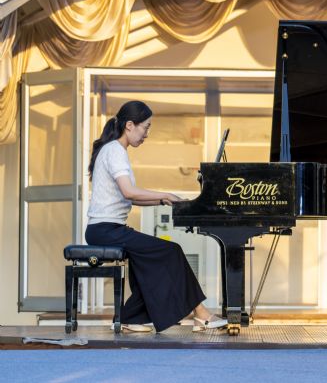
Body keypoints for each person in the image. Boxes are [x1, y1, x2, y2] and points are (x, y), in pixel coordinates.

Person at [85, 100, 227, 333]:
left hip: (107, 229)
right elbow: (129, 192)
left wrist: (164, 200)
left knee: (149, 261)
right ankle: (201, 314)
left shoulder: (113, 150)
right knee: (171, 251)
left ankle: (131, 318)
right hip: (106, 230)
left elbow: (129, 198)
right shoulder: (115, 151)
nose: (147, 134)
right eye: (146, 127)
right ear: (129, 125)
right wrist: (164, 194)